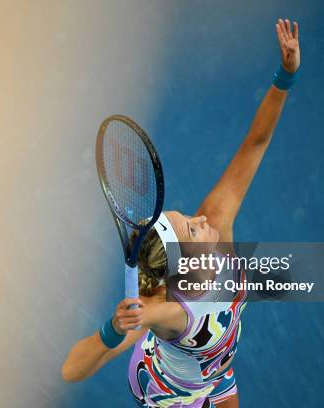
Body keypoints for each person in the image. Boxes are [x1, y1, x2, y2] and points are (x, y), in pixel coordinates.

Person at [62, 18, 301, 408]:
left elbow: (255, 143)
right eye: (192, 228)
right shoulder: (162, 309)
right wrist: (110, 330)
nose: (203, 218)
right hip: (171, 394)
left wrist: (285, 75)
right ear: (183, 265)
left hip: (218, 372)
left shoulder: (217, 222)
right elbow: (72, 371)